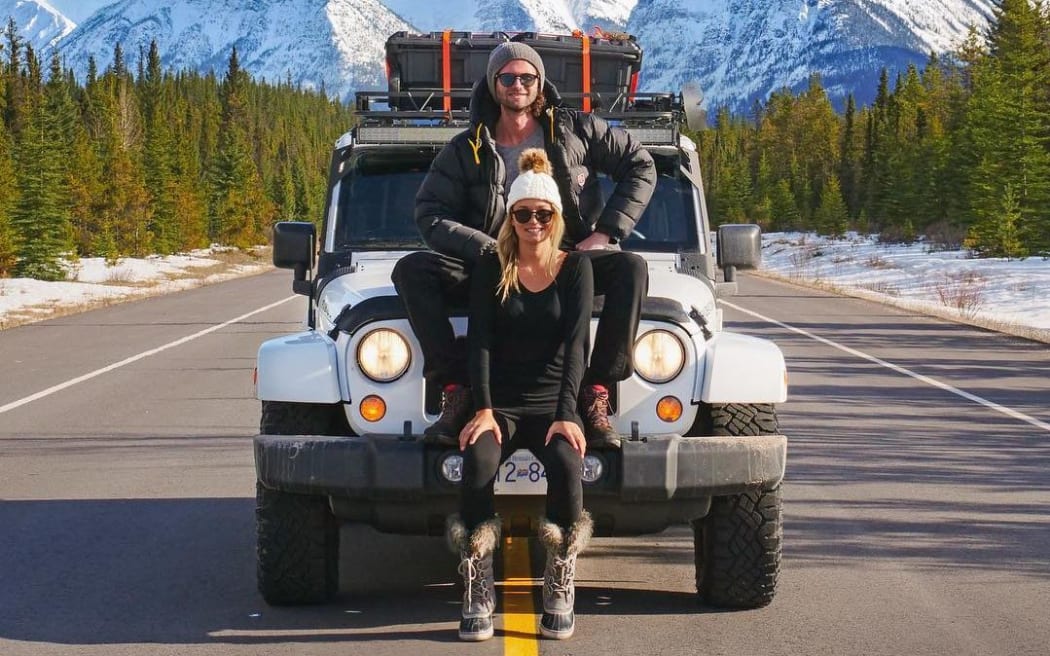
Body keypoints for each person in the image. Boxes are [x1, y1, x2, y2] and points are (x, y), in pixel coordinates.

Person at [393, 40, 656, 449]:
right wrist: (486, 248)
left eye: (527, 77)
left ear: (540, 82)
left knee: (631, 269)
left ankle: (596, 391)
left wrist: (604, 234)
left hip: (568, 262)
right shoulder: (468, 149)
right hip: (492, 264)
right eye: (508, 77)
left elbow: (641, 164)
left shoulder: (577, 130)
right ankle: (456, 387)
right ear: (494, 84)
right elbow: (430, 212)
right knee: (412, 270)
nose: (518, 84)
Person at [446, 148, 593, 641]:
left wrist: (568, 413)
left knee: (568, 464)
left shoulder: (574, 269)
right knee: (478, 461)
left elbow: (577, 345)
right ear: (511, 217)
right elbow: (481, 341)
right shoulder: (493, 267)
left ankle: (560, 576)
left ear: (555, 218)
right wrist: (484, 408)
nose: (533, 222)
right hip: (501, 402)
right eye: (523, 213)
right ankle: (476, 580)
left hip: (552, 403)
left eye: (543, 214)